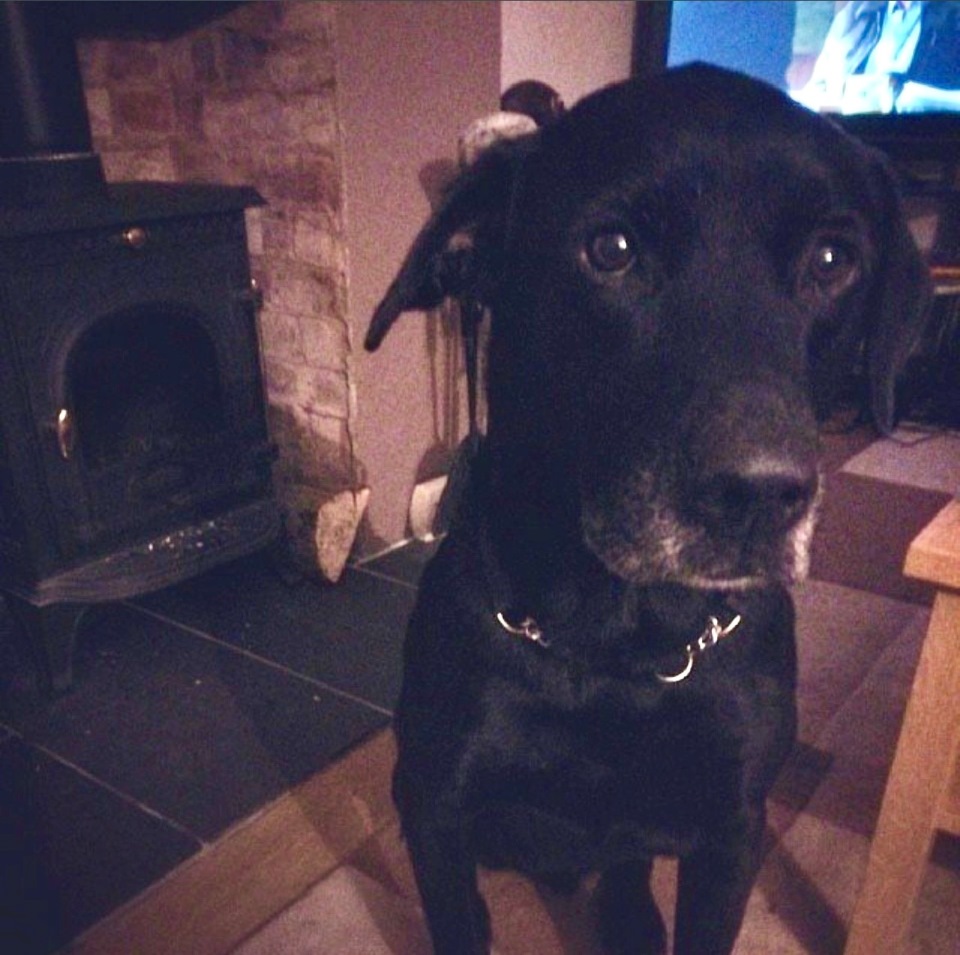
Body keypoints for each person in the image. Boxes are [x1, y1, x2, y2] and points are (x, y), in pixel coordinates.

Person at [796, 1, 960, 114]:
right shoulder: (858, 10)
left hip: (925, 148)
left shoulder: (953, 15)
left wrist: (902, 97)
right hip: (853, 142)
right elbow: (818, 87)